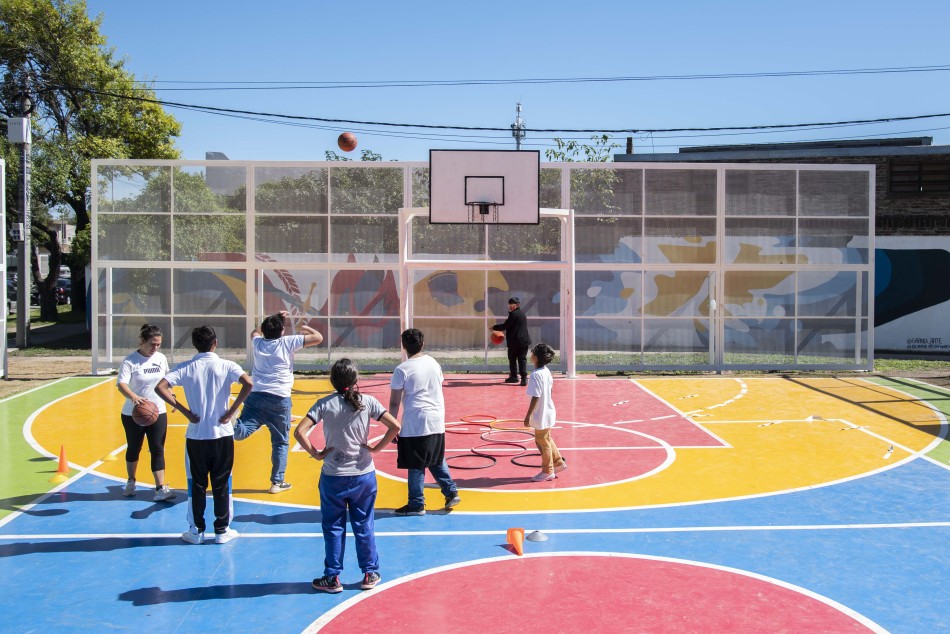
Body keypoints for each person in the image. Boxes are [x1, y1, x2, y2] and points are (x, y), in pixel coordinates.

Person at [294, 359, 401, 593]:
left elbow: (299, 431)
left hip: (333, 476)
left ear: (333, 381)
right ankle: (369, 573)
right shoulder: (368, 402)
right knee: (364, 523)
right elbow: (395, 426)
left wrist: (317, 454)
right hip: (363, 475)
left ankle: (332, 577)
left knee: (333, 526)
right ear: (356, 380)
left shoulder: (324, 404)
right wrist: (376, 448)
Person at [155, 325, 253, 545]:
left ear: (194, 344)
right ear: (215, 343)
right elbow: (248, 383)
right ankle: (222, 530)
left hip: (196, 436)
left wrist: (184, 410)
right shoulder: (227, 365)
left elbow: (160, 387)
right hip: (222, 435)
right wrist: (233, 409)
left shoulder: (185, 367)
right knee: (222, 483)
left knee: (197, 484)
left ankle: (196, 530)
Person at [234, 311, 323, 494]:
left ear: (264, 330)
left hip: (256, 396)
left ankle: (233, 425)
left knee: (241, 432)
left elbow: (254, 332)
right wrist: (306, 328)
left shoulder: (258, 342)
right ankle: (277, 482)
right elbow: (318, 337)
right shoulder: (288, 342)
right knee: (280, 442)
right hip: (279, 399)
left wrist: (272, 318)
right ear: (282, 331)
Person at [388, 328, 461, 516]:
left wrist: (392, 425)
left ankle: (416, 504)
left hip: (416, 420)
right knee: (435, 457)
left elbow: (395, 402)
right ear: (423, 344)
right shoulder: (433, 363)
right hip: (436, 418)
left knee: (415, 463)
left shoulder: (402, 369)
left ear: (403, 346)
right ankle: (451, 491)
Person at [115, 323, 175, 501]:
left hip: (157, 411)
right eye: (152, 344)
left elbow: (166, 381)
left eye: (158, 344)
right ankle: (131, 481)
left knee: (157, 448)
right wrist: (134, 397)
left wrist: (171, 397)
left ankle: (160, 489)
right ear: (142, 341)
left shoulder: (161, 358)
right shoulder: (130, 361)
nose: (155, 348)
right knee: (134, 447)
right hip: (134, 413)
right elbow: (121, 384)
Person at [522, 342, 567, 482]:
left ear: (535, 357)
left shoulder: (536, 375)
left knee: (542, 441)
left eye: (532, 353)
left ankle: (547, 470)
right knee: (546, 438)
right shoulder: (546, 371)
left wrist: (528, 415)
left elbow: (536, 396)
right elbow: (550, 391)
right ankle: (558, 462)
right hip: (548, 411)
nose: (530, 354)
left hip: (541, 414)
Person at [491, 296, 531, 386]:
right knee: (522, 359)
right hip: (524, 341)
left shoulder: (514, 315)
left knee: (513, 359)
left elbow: (505, 326)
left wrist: (494, 327)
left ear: (517, 305)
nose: (510, 306)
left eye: (512, 304)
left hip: (515, 342)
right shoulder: (522, 314)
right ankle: (524, 378)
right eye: (509, 304)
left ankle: (514, 377)